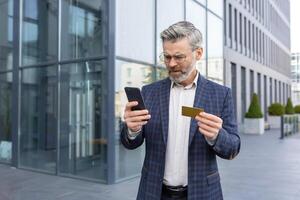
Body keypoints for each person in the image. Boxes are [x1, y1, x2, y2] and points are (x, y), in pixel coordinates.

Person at [121, 21, 240, 200]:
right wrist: (132, 130)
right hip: (154, 192)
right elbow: (130, 143)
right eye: (166, 57)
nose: (171, 63)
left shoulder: (220, 94)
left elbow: (233, 147)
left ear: (198, 53)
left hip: (202, 193)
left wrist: (216, 136)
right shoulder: (149, 92)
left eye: (179, 57)